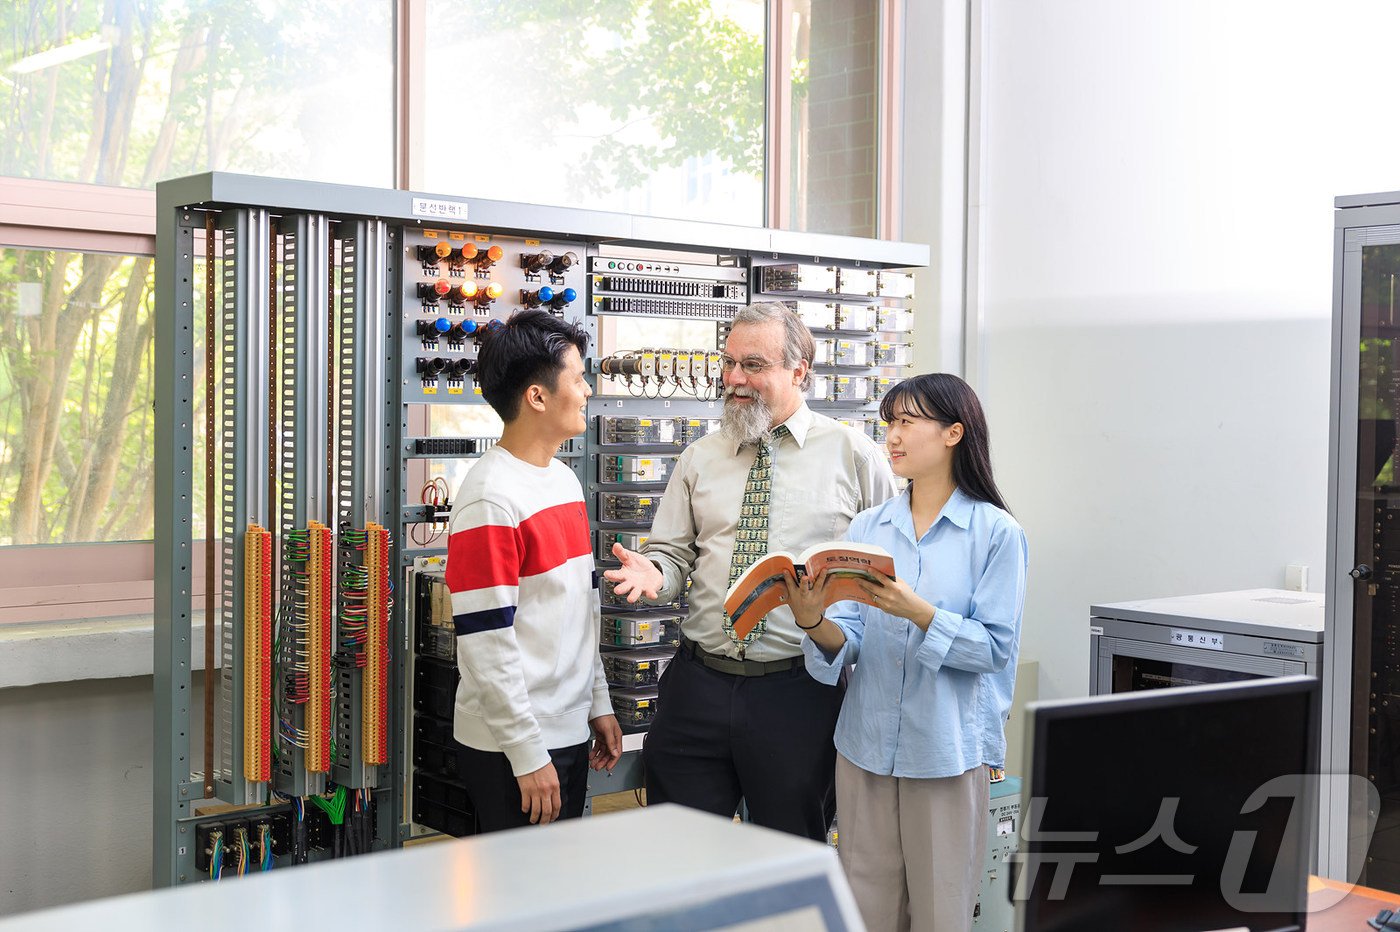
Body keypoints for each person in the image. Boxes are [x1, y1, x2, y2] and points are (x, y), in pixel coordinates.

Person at [604, 301, 897, 841]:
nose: (735, 379)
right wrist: (655, 574)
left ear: (798, 371)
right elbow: (673, 556)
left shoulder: (854, 456)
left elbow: (890, 576)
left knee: (790, 856)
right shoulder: (699, 458)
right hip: (698, 685)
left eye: (754, 365)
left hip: (799, 691)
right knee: (680, 853)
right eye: (730, 362)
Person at [787, 372, 1028, 932]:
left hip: (944, 750)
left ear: (953, 434)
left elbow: (993, 648)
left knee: (942, 909)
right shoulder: (871, 527)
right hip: (864, 746)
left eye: (906, 422)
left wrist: (917, 611)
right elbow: (848, 641)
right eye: (889, 423)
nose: (891, 437)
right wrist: (811, 618)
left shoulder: (995, 533)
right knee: (864, 905)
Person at [445, 309, 622, 831]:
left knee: (557, 896)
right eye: (577, 378)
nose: (587, 390)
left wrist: (598, 701)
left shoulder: (564, 481)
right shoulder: (490, 497)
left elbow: (580, 609)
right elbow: (486, 643)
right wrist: (527, 753)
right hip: (511, 746)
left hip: (563, 730)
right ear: (537, 397)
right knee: (521, 903)